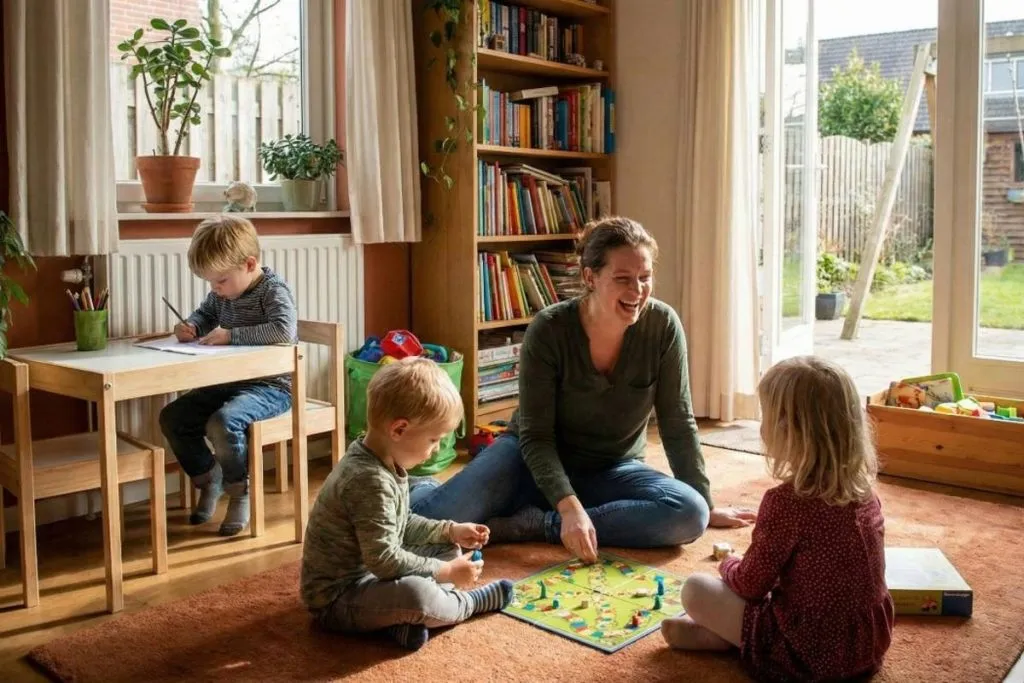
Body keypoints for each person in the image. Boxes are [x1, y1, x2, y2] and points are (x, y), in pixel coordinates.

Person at [411, 216, 755, 562]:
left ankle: (536, 524)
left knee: (690, 513)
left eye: (645, 277)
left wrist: (705, 501)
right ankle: (420, 488)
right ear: (590, 277)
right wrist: (567, 504)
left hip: (611, 469)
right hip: (527, 462)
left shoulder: (663, 326)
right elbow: (536, 436)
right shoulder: (549, 329)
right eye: (623, 279)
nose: (637, 290)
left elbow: (678, 421)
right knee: (420, 531)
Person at [661, 356, 895, 682]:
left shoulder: (785, 503)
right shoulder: (866, 493)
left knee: (695, 589)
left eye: (766, 417)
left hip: (808, 652)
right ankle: (723, 638)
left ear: (790, 431)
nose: (761, 428)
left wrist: (729, 564)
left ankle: (732, 640)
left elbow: (750, 585)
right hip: (866, 646)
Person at [301, 357, 514, 651]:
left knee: (446, 548)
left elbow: (402, 522)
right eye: (434, 440)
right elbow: (385, 560)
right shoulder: (369, 479)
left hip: (373, 577)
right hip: (338, 599)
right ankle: (467, 603)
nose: (436, 449)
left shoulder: (381, 458)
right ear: (399, 430)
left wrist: (450, 530)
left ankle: (397, 621)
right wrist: (446, 573)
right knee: (417, 595)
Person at [159, 214, 298, 536]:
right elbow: (205, 313)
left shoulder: (273, 291)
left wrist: (231, 335)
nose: (216, 289)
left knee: (223, 422)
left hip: (270, 387)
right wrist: (191, 326)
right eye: (210, 283)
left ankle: (239, 490)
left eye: (220, 281)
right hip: (226, 382)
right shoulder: (221, 294)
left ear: (249, 264)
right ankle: (209, 478)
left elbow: (283, 330)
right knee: (173, 417)